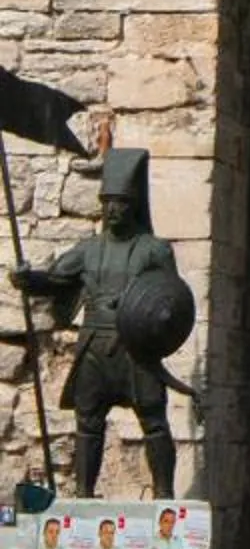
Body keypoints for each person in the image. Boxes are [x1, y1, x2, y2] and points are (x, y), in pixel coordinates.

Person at [11, 150, 186, 496]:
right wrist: (28, 279)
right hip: (94, 346)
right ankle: (83, 494)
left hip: (136, 349)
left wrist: (145, 312)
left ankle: (164, 495)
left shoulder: (155, 250)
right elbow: (57, 280)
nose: (112, 209)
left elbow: (172, 300)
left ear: (134, 205)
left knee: (153, 420)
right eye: (107, 202)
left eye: (120, 202)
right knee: (88, 422)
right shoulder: (89, 249)